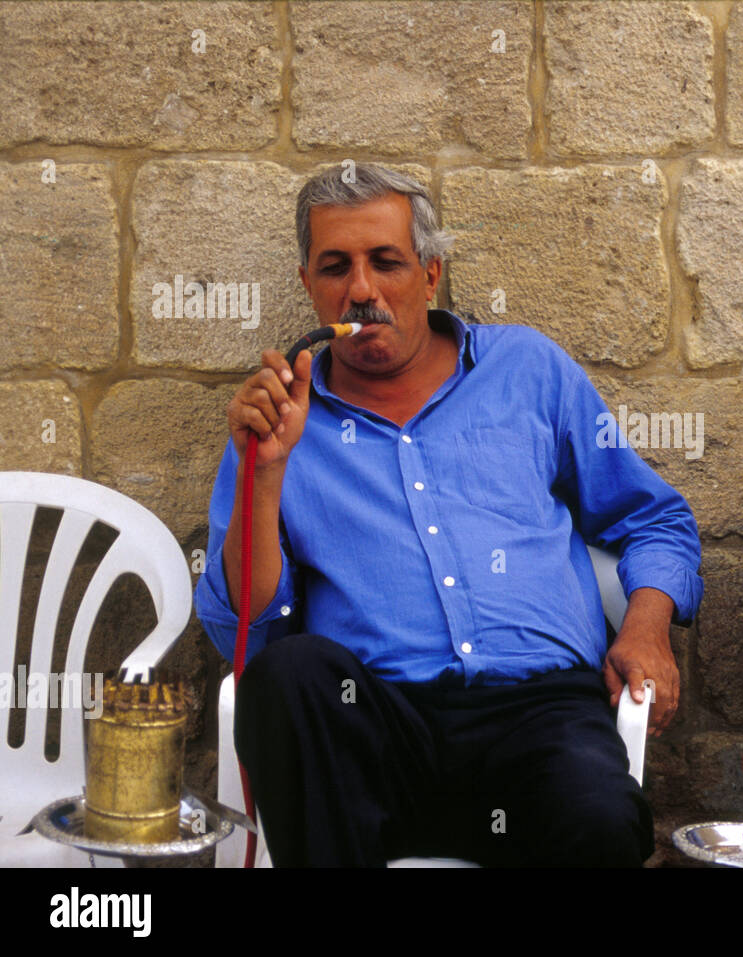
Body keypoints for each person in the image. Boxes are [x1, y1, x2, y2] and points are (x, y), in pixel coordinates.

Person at [195, 163, 702, 866]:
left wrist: (647, 630)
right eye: (336, 267)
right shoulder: (277, 422)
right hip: (375, 731)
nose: (362, 290)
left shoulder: (528, 371)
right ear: (310, 285)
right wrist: (269, 471)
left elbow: (654, 519)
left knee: (599, 817)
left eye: (387, 263)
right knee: (289, 675)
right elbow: (245, 632)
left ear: (431, 274)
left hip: (539, 719)